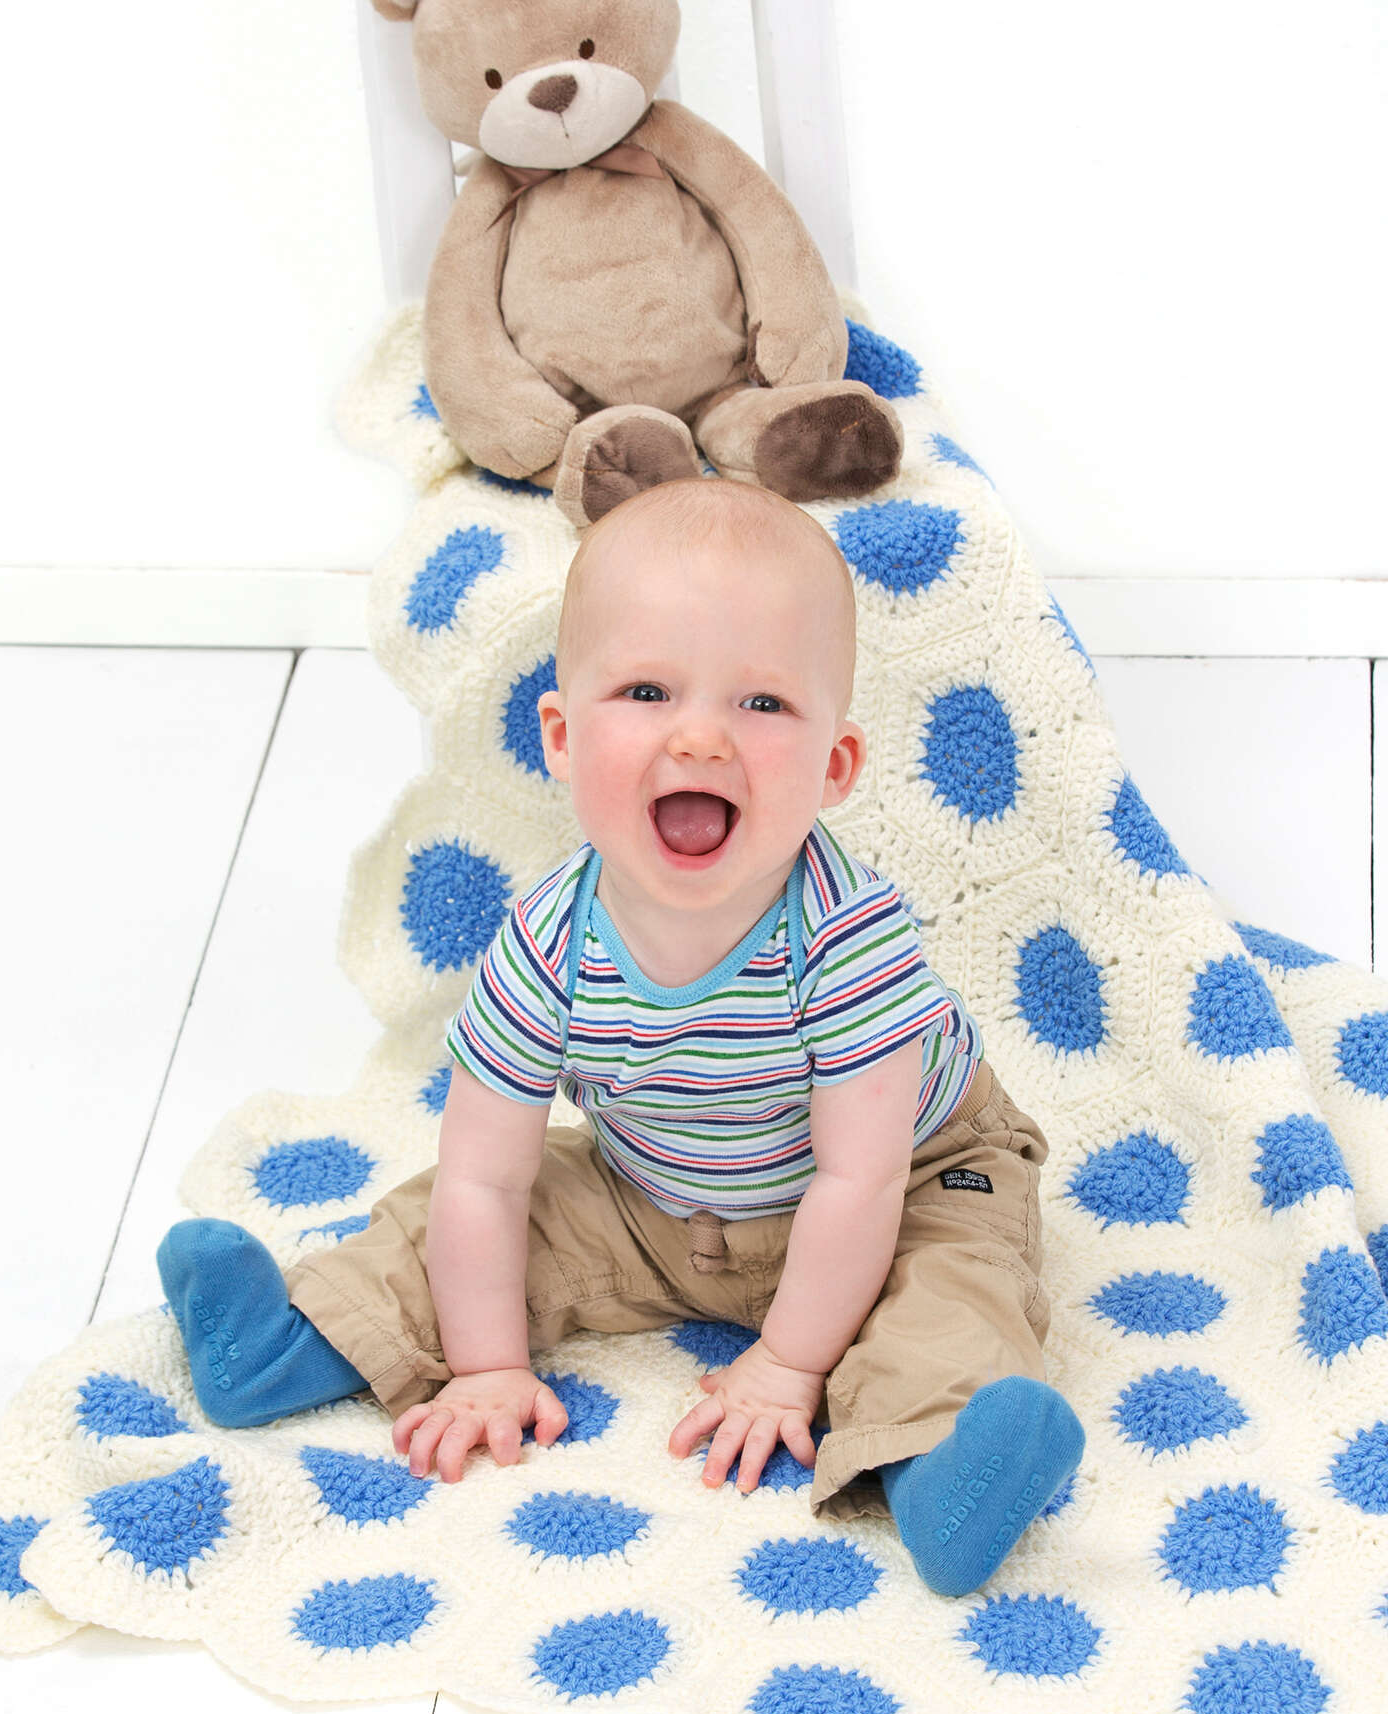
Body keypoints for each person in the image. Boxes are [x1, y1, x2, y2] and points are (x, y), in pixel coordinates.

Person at [155, 476, 1083, 1597]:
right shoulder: (546, 941)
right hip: (659, 1196)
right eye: (647, 690)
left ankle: (944, 1471)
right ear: (561, 733)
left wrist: (787, 1365)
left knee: (955, 1292)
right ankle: (288, 1340)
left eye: (763, 703)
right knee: (451, 1213)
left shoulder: (850, 938)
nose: (700, 736)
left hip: (905, 1184)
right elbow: (485, 1178)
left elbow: (861, 1178)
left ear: (835, 766)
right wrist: (488, 1368)